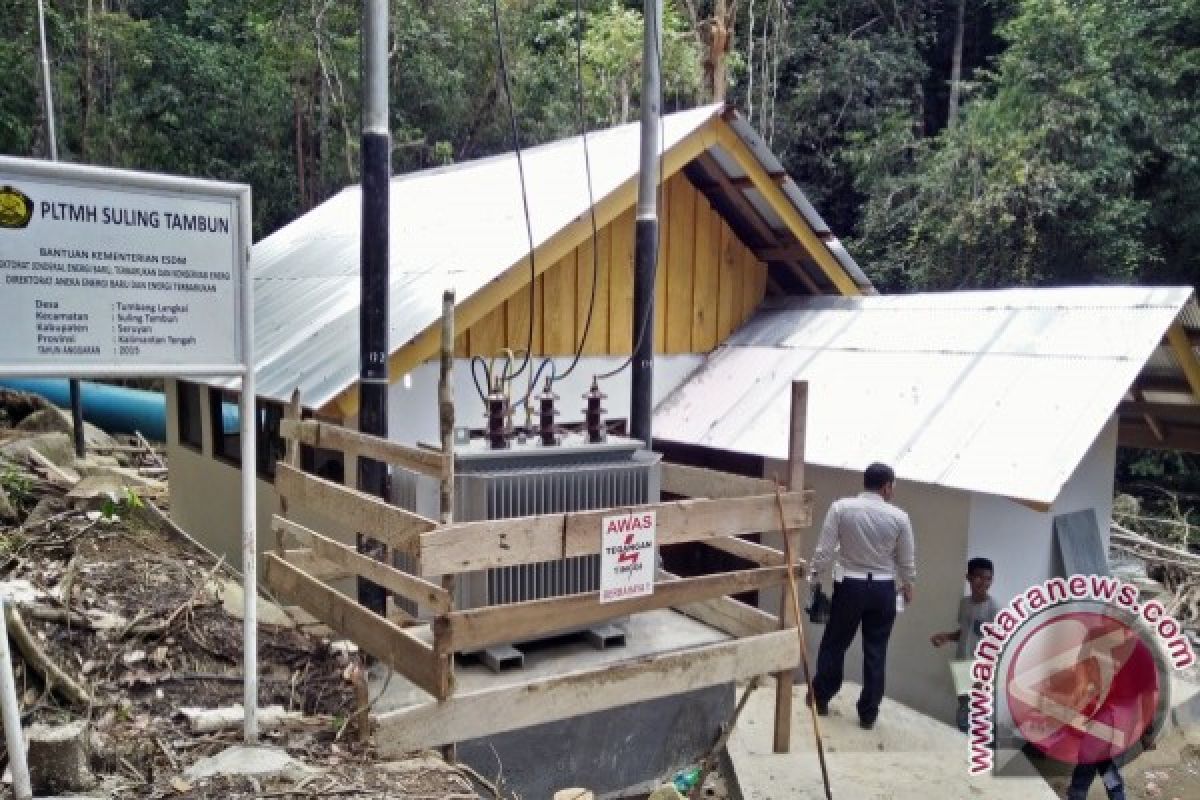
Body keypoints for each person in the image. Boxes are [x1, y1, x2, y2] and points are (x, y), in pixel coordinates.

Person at [806, 462, 916, 729]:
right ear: (887, 486)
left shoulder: (841, 508)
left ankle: (821, 697)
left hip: (849, 586)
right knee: (876, 651)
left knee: (835, 643)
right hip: (882, 589)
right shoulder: (899, 517)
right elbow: (906, 558)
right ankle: (868, 714)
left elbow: (825, 549)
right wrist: (909, 584)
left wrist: (815, 576)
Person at [931, 557, 999, 731]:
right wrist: (947, 636)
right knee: (963, 710)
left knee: (978, 715)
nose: (984, 582)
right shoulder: (965, 603)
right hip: (962, 665)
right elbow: (966, 633)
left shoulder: (994, 609)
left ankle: (975, 753)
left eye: (988, 578)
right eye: (979, 577)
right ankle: (962, 750)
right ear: (968, 577)